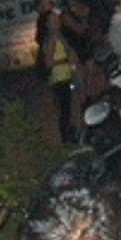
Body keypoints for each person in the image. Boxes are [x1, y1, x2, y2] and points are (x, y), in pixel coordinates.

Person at [43, 9, 79, 143]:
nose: (56, 23)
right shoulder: (52, 39)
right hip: (59, 78)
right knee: (64, 109)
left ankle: (70, 135)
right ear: (48, 24)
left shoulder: (59, 36)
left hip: (65, 75)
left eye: (57, 20)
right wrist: (65, 60)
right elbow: (48, 62)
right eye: (53, 21)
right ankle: (66, 138)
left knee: (69, 107)